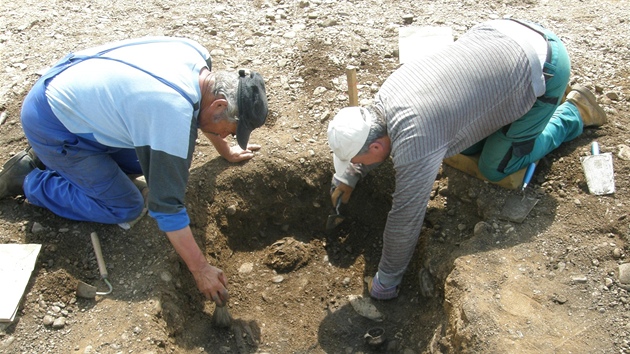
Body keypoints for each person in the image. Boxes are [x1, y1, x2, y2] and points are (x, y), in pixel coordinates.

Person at [327, 19, 606, 300]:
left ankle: (574, 113)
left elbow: (406, 216)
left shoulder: (416, 140)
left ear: (375, 146)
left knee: (495, 167)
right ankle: (518, 112)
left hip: (545, 65)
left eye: (359, 159)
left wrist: (386, 281)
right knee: (457, 149)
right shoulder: (385, 97)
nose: (358, 163)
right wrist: (349, 174)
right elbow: (372, 143)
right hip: (503, 32)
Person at [0, 36, 269, 306]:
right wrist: (200, 270)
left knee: (156, 163)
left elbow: (204, 114)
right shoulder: (169, 110)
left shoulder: (197, 58)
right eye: (231, 131)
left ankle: (53, 157)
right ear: (220, 105)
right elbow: (166, 208)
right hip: (50, 120)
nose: (228, 135)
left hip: (71, 92)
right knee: (126, 206)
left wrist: (224, 149)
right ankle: (27, 178)